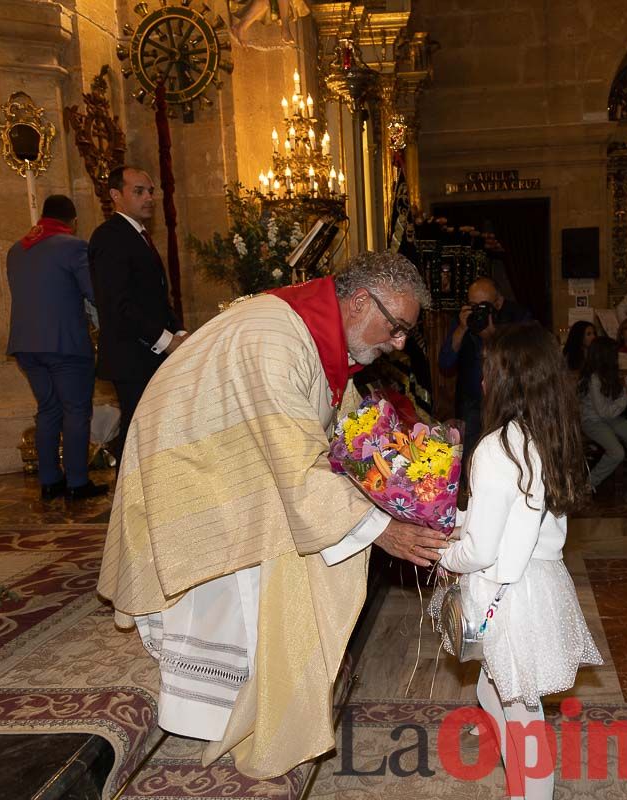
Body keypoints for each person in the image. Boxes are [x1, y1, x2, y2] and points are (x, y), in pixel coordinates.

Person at [96, 252, 449, 779]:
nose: (398, 343)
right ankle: (215, 710)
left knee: (281, 558)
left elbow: (345, 430)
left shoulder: (310, 332)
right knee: (243, 572)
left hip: (219, 457)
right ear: (358, 302)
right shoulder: (276, 339)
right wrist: (383, 529)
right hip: (191, 468)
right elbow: (299, 466)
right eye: (396, 327)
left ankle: (238, 698)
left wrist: (410, 473)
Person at [438, 322, 602, 800]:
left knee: (522, 714)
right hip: (541, 581)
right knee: (496, 692)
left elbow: (482, 551)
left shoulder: (496, 448)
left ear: (509, 379)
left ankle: (529, 793)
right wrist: (460, 517)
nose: (482, 381)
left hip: (508, 594)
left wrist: (445, 553)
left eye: (489, 371)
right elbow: (516, 513)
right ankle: (524, 785)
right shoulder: (548, 434)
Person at [5, 195, 106, 501]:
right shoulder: (72, 246)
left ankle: (50, 480)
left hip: (25, 344)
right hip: (64, 343)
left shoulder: (16, 250)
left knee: (48, 409)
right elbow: (93, 291)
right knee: (76, 410)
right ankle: (77, 482)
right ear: (72, 221)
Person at [89, 165, 186, 461]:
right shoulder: (110, 236)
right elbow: (118, 305)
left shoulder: (138, 235)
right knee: (137, 436)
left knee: (154, 434)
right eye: (139, 191)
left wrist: (178, 331)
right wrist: (166, 340)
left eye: (151, 191)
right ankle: (129, 504)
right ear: (116, 195)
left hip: (149, 352)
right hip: (132, 355)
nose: (149, 198)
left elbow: (154, 296)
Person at [439, 277, 530, 447]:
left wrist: (492, 337)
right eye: (473, 305)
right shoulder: (464, 320)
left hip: (508, 404)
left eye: (483, 306)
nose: (477, 311)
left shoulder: (517, 317)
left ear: (498, 302)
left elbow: (524, 363)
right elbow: (445, 363)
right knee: (470, 458)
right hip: (471, 404)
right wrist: (461, 329)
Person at [579, 337, 627, 490]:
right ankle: (588, 485)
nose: (617, 357)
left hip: (610, 418)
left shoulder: (608, 374)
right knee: (617, 452)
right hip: (592, 421)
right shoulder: (593, 379)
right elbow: (604, 412)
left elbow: (613, 404)